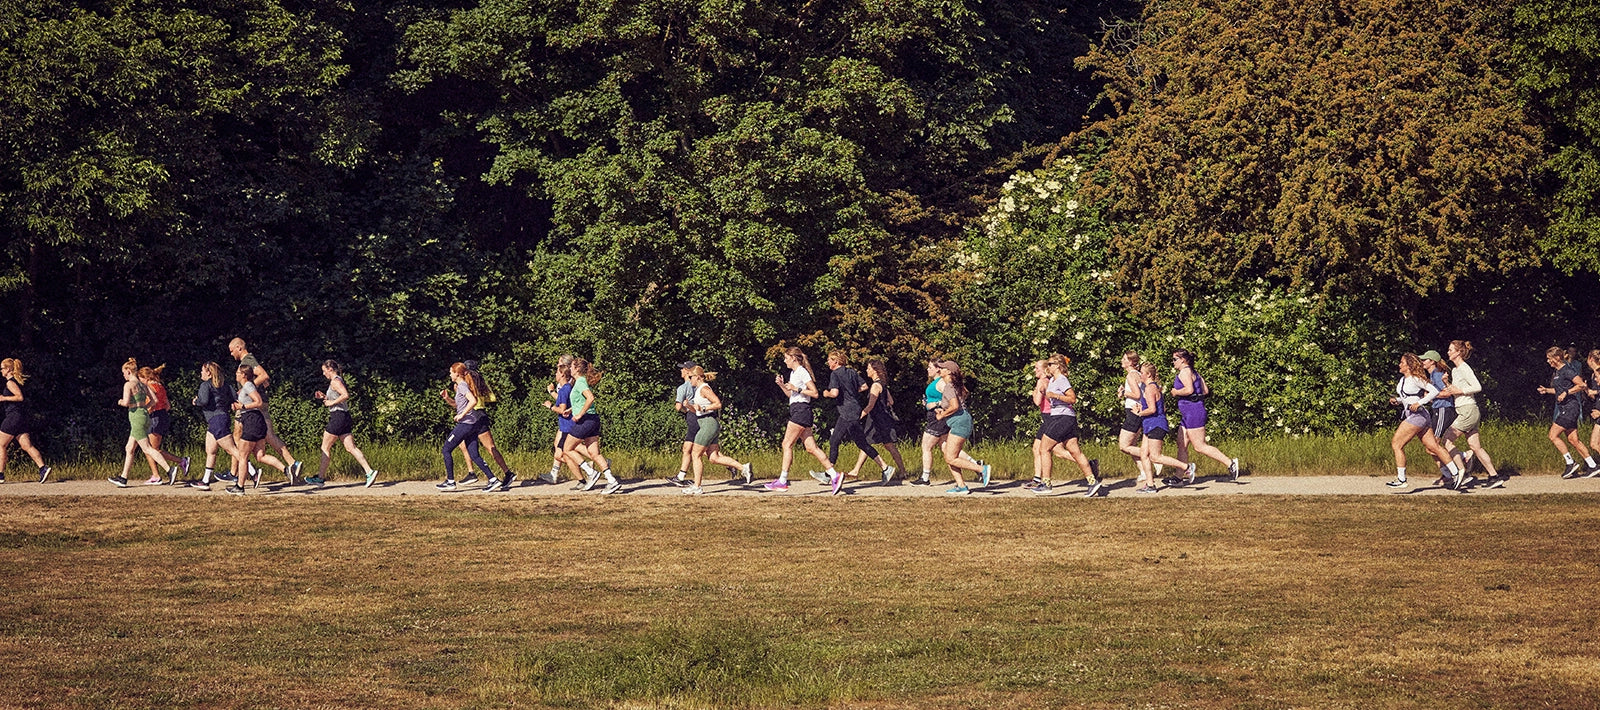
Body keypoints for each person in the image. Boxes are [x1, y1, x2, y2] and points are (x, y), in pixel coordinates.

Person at [816, 350, 892, 494]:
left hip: (846, 412)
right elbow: (864, 386)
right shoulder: (851, 372)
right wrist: (852, 392)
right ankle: (886, 468)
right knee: (861, 443)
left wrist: (825, 393)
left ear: (836, 362)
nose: (828, 362)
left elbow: (834, 393)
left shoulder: (835, 374)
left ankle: (829, 475)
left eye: (829, 360)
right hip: (855, 409)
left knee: (834, 440)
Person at [228, 339, 302, 484]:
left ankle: (236, 473)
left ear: (239, 347)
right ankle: (291, 465)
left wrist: (246, 387)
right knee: (260, 439)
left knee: (244, 435)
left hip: (251, 405)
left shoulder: (248, 360)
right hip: (254, 404)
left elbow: (264, 375)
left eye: (232, 350)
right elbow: (263, 379)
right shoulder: (248, 361)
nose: (231, 354)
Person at [1027, 354, 1100, 496]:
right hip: (1063, 417)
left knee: (1044, 449)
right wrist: (1046, 394)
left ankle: (1046, 484)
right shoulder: (1053, 381)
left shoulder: (1061, 380)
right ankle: (1093, 482)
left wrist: (1056, 396)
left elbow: (1072, 398)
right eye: (1047, 364)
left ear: (1058, 366)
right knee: (1074, 451)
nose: (1048, 366)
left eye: (1051, 364)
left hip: (1062, 418)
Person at [765, 347, 836, 491]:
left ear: (793, 358)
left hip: (801, 411)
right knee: (811, 448)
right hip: (799, 410)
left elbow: (815, 393)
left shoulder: (802, 372)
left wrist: (796, 388)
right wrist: (782, 386)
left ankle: (782, 481)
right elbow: (791, 396)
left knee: (786, 444)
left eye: (786, 358)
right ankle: (835, 476)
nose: (784, 361)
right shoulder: (793, 373)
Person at [1386, 353, 1461, 489]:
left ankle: (1402, 479)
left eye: (1402, 363)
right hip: (1416, 416)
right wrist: (1397, 400)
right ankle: (1456, 473)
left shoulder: (1416, 379)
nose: (1399, 365)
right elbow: (1407, 397)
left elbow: (1433, 391)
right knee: (1433, 447)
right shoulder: (1403, 380)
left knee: (1397, 444)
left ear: (1409, 366)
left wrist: (1420, 403)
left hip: (1417, 416)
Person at [1169, 350, 1240, 484]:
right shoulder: (1195, 372)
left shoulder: (1184, 372)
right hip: (1189, 412)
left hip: (1193, 412)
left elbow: (1189, 390)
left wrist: (1176, 392)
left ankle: (1230, 463)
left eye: (1174, 359)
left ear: (1183, 360)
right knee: (1181, 444)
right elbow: (1205, 391)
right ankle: (1179, 477)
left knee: (1199, 446)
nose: (1173, 362)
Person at [1436, 340, 1502, 488]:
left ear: (1458, 352)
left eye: (1450, 349)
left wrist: (1459, 391)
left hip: (1468, 410)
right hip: (1465, 409)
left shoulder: (1465, 368)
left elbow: (1477, 387)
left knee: (1447, 440)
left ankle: (1462, 473)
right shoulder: (1455, 370)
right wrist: (1447, 383)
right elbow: (1455, 391)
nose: (1448, 352)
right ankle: (1494, 476)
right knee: (1475, 446)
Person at [679, 366, 753, 495]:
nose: (689, 379)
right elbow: (697, 410)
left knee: (695, 454)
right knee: (714, 457)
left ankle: (697, 486)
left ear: (697, 377)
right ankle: (743, 467)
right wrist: (689, 406)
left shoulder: (704, 389)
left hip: (708, 423)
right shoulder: (698, 390)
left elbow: (718, 404)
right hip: (707, 423)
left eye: (691, 377)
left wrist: (703, 408)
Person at [912, 359, 984, 486]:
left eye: (930, 367)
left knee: (926, 446)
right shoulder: (939, 382)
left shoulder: (943, 383)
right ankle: (975, 466)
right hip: (941, 417)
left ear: (938, 369)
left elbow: (957, 397)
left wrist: (938, 404)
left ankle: (925, 477)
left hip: (939, 418)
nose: (928, 369)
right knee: (946, 448)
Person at [108, 358, 176, 487]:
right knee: (129, 448)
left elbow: (126, 402)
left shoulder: (129, 385)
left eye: (123, 372)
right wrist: (144, 407)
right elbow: (154, 399)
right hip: (144, 416)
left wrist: (120, 402)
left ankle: (169, 469)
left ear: (128, 371)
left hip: (136, 417)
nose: (123, 375)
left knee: (147, 448)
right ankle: (123, 478)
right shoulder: (143, 384)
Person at [312, 360, 378, 488]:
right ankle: (370, 472)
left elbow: (345, 395)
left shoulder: (335, 381)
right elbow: (339, 397)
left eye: (324, 370)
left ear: (330, 369)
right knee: (350, 447)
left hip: (338, 417)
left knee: (325, 447)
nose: (323, 373)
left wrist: (331, 403)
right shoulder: (338, 380)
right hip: (344, 416)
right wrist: (325, 398)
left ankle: (320, 478)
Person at [1539, 346, 1598, 478]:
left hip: (1571, 408)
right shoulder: (1557, 372)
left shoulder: (1567, 370)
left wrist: (1567, 393)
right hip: (1564, 408)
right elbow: (1559, 391)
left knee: (1553, 435)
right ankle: (1593, 465)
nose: (1548, 361)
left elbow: (1582, 385)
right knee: (1573, 439)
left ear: (1557, 358)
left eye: (1550, 359)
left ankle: (1570, 463)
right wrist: (1547, 390)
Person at [435, 363, 495, 491]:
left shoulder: (462, 386)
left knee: (446, 450)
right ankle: (493, 479)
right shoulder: (462, 386)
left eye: (451, 372)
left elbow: (473, 401)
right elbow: (459, 405)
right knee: (474, 454)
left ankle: (450, 482)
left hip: (466, 424)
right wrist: (447, 398)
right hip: (472, 424)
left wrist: (462, 415)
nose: (450, 374)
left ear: (457, 374)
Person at [848, 359, 908, 484]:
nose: (867, 370)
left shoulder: (875, 386)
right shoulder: (883, 384)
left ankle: (856, 471)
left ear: (875, 370)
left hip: (876, 420)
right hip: (884, 418)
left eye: (869, 368)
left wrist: (858, 416)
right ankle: (903, 471)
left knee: (867, 443)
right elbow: (890, 401)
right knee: (886, 445)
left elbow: (870, 406)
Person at [565, 358, 620, 494]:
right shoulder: (580, 382)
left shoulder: (580, 382)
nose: (570, 369)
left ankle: (591, 472)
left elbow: (590, 398)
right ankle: (612, 481)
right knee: (594, 454)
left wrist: (579, 415)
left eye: (571, 366)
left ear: (577, 369)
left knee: (566, 448)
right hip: (593, 419)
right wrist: (572, 410)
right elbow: (583, 400)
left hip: (585, 420)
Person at [932, 360, 988, 495]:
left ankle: (982, 469)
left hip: (960, 422)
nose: (940, 370)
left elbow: (955, 406)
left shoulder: (949, 387)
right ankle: (961, 486)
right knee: (949, 454)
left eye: (943, 368)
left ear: (949, 371)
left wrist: (942, 415)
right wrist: (942, 411)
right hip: (959, 421)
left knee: (950, 457)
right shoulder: (953, 386)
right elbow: (958, 402)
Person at [1134, 362, 1189, 493]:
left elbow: (1152, 409)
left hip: (1156, 424)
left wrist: (1140, 413)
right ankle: (1150, 485)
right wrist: (1142, 409)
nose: (1140, 375)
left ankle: (1186, 466)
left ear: (1148, 374)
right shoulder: (1153, 387)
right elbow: (1160, 407)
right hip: (1150, 424)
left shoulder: (1149, 388)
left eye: (1141, 373)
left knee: (1155, 457)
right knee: (1143, 454)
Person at [187, 362, 243, 490]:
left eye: (202, 371)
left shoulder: (205, 385)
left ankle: (253, 472)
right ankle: (205, 481)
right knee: (210, 451)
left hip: (216, 420)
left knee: (231, 449)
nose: (201, 373)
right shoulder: (225, 385)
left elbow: (204, 400)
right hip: (221, 419)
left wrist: (196, 401)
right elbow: (234, 398)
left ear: (209, 372)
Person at [461, 361, 515, 491]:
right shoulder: (480, 380)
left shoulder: (467, 381)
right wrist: (481, 397)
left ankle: (472, 473)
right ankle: (507, 472)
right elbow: (492, 398)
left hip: (473, 414)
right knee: (488, 447)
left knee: (465, 444)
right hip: (481, 413)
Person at [1420, 350, 1469, 482]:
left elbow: (1448, 393)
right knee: (1431, 447)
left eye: (1425, 360)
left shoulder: (1437, 375)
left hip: (1443, 409)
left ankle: (1460, 461)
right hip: (1437, 409)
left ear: (1432, 362)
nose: (1422, 362)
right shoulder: (1432, 376)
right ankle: (1449, 473)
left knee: (1433, 445)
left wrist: (1430, 395)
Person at [138, 365, 191, 485]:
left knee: (150, 450)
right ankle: (160, 472)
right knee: (152, 449)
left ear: (144, 378)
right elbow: (168, 405)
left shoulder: (150, 387)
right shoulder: (160, 386)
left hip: (154, 417)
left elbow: (151, 405)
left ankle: (160, 473)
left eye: (140, 379)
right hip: (162, 416)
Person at [0, 358, 50, 484]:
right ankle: (43, 468)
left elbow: (19, 397)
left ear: (8, 369)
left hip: (13, 417)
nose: (0, 371)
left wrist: (3, 398)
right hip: (21, 418)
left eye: (2, 368)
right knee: (26, 446)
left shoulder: (10, 383)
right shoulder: (18, 381)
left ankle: (0, 475)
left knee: (1, 445)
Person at [228, 363, 267, 495]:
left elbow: (259, 402)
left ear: (244, 375)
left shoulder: (248, 385)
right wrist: (239, 407)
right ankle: (286, 469)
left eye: (238, 373)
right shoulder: (245, 386)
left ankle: (240, 487)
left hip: (252, 420)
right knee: (260, 456)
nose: (236, 375)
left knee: (243, 455)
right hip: (253, 420)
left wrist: (243, 407)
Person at [541, 358, 579, 488]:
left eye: (560, 364)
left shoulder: (569, 383)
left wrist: (551, 403)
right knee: (560, 446)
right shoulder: (565, 384)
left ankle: (590, 466)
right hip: (566, 420)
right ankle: (554, 474)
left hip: (569, 421)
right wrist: (552, 393)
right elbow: (562, 400)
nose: (557, 366)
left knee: (567, 448)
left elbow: (564, 403)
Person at [1116, 350, 1149, 480]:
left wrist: (1124, 393)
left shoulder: (1131, 376)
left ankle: (1154, 457)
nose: (1122, 361)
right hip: (1137, 411)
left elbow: (1137, 395)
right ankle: (1144, 472)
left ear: (1130, 362)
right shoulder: (1138, 374)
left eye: (1124, 359)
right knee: (1131, 446)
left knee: (1124, 446)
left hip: (1133, 412)